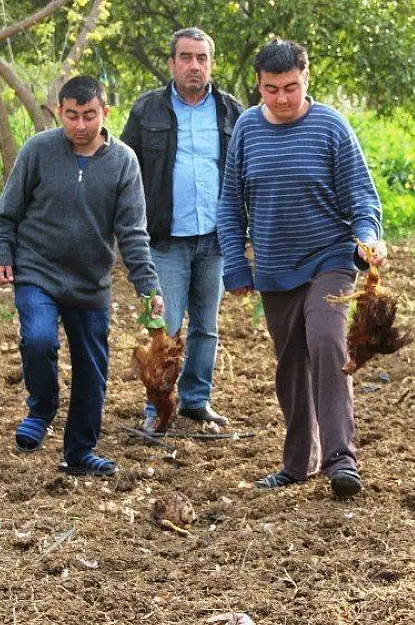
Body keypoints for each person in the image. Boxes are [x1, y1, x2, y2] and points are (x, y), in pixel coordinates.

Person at [217, 39, 387, 499]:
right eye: (271, 89)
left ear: (305, 79)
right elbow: (231, 204)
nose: (282, 99)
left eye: (291, 87)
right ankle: (298, 463)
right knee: (291, 364)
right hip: (274, 267)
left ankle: (340, 459)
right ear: (259, 86)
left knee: (327, 342)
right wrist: (235, 263)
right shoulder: (248, 130)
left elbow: (363, 197)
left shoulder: (330, 126)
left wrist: (368, 238)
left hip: (330, 258)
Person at [0, 76, 164, 477]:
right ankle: (42, 408)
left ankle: (79, 451)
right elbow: (6, 212)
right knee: (37, 339)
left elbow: (133, 233)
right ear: (58, 112)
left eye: (89, 115)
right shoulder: (39, 150)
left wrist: (147, 287)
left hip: (90, 281)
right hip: (38, 270)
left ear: (105, 113)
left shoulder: (123, 162)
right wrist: (3, 252)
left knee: (92, 368)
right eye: (71, 116)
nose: (80, 125)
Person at [122, 27, 244, 432]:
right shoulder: (147, 110)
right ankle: (158, 406)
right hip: (166, 239)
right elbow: (127, 171)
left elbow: (244, 173)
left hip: (216, 238)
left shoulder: (231, 111)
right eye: (186, 57)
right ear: (172, 63)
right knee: (165, 326)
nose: (194, 66)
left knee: (206, 327)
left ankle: (195, 400)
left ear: (211, 63)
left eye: (202, 58)